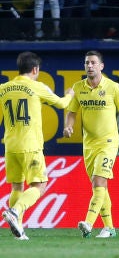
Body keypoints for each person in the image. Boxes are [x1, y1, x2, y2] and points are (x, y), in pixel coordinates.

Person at [0, 51, 74, 240]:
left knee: (17, 187)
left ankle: (19, 230)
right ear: (35, 69)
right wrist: (70, 95)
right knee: (39, 186)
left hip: (10, 145)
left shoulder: (4, 88)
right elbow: (61, 104)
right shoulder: (37, 86)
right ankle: (15, 212)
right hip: (30, 145)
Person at [63, 50, 119, 238]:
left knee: (99, 181)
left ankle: (88, 223)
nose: (89, 66)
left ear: (101, 66)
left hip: (108, 143)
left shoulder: (113, 87)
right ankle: (109, 228)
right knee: (100, 187)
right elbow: (72, 112)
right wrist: (68, 126)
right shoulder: (78, 87)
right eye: (87, 63)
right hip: (88, 145)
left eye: (93, 63)